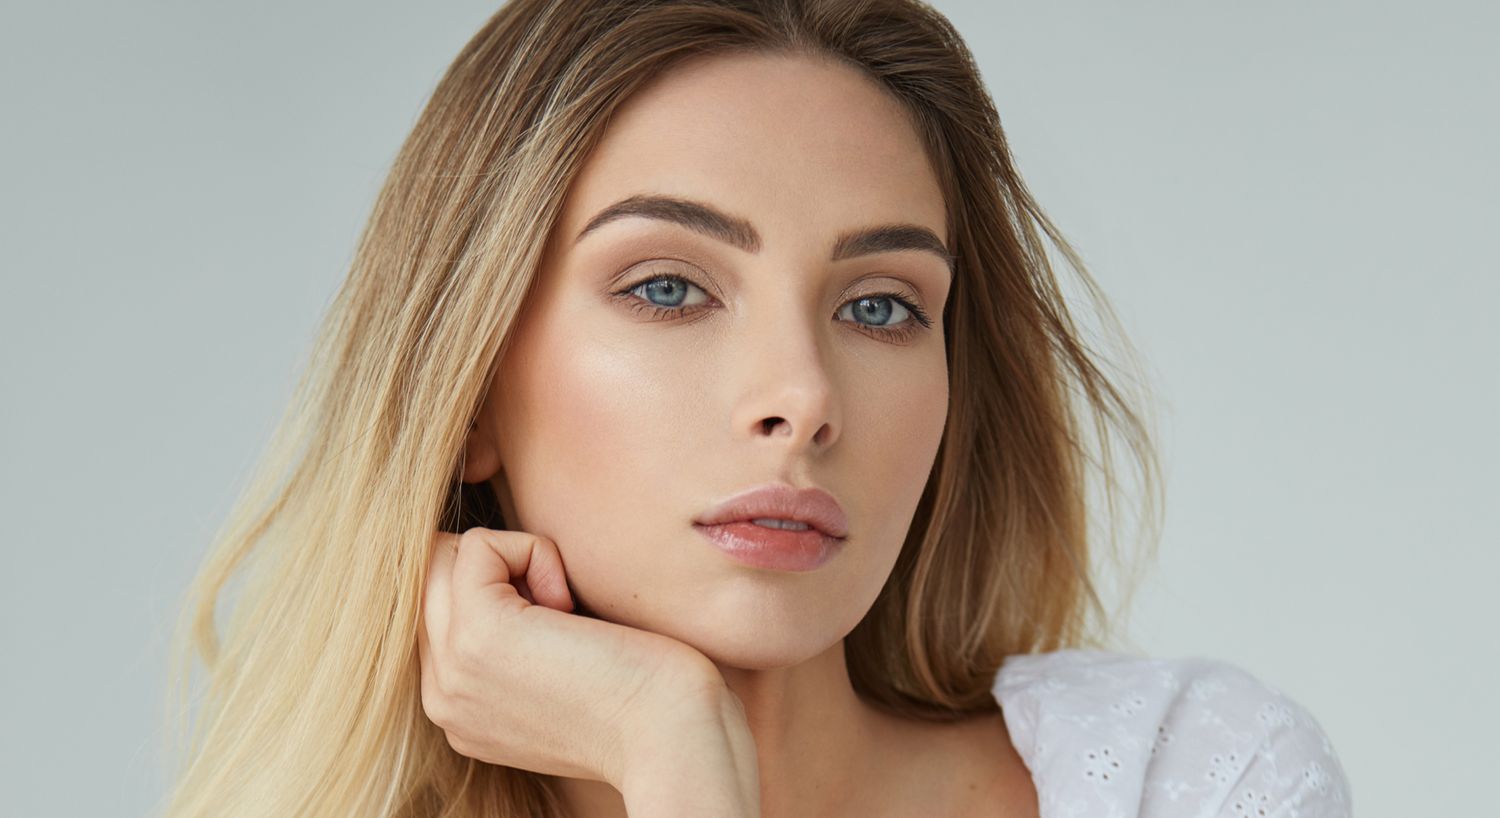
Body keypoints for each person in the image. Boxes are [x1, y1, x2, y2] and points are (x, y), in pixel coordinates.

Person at [157, 1, 1352, 817]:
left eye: (881, 306)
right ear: (467, 385)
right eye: (669, 287)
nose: (803, 397)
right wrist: (665, 739)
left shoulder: (1188, 777)